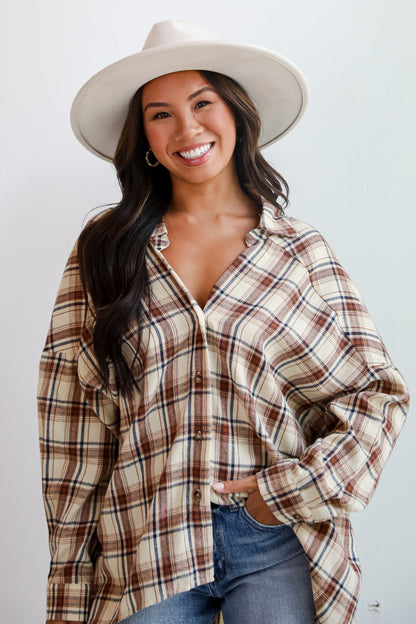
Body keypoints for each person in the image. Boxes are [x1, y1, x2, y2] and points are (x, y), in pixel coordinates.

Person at [38, 20, 409, 624]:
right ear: (145, 140)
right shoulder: (105, 252)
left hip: (275, 540)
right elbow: (72, 424)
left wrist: (284, 495)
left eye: (202, 102)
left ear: (236, 113)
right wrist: (70, 589)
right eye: (161, 114)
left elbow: (379, 395)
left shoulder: (300, 252)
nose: (187, 129)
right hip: (145, 538)